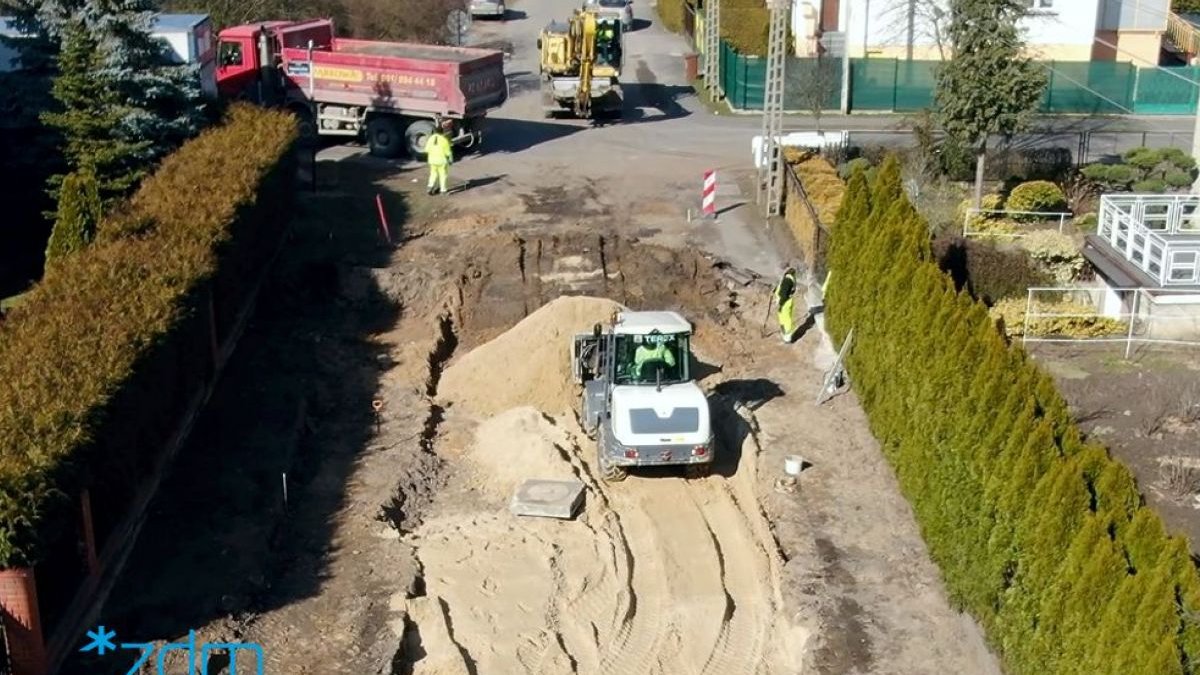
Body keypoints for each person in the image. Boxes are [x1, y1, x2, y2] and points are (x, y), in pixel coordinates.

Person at [423, 125, 453, 196]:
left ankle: (430, 187)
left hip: (432, 161)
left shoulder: (430, 139)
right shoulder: (444, 140)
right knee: (443, 175)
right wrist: (450, 160)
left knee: (433, 174)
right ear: (442, 132)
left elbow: (426, 150)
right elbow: (448, 152)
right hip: (442, 161)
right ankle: (443, 191)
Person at [774, 264, 799, 343]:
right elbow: (782, 288)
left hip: (785, 302)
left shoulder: (787, 280)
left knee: (786, 319)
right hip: (787, 301)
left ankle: (787, 336)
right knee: (782, 317)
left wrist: (780, 303)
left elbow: (784, 293)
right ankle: (784, 333)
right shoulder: (789, 280)